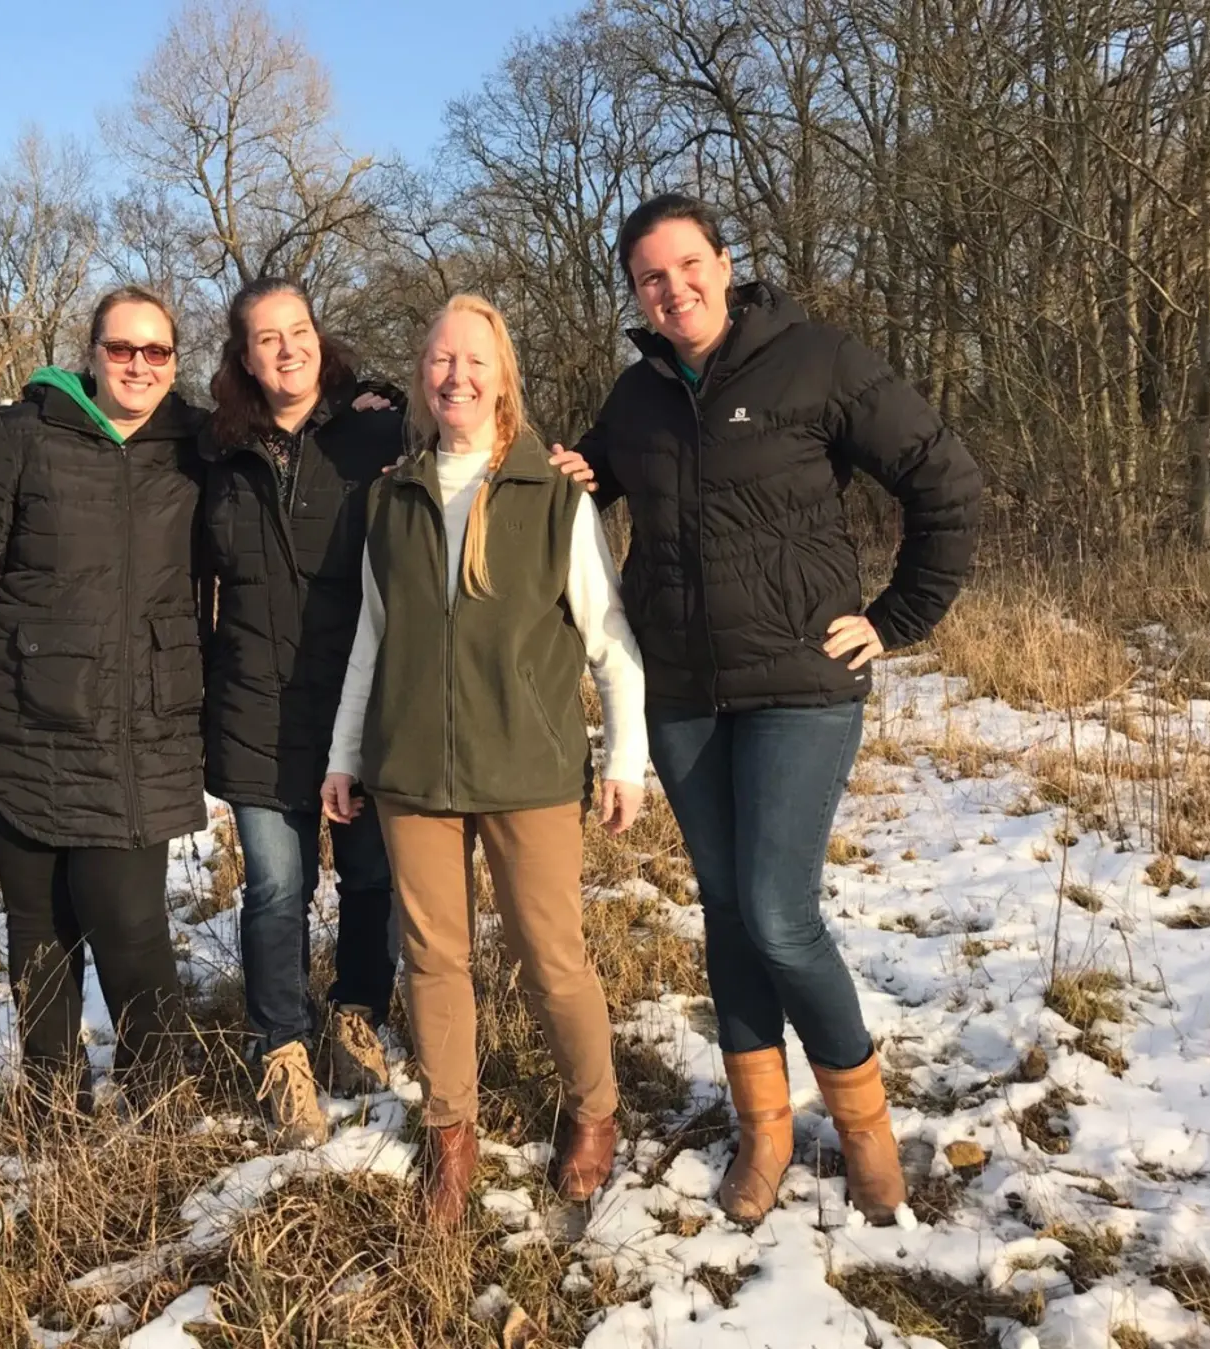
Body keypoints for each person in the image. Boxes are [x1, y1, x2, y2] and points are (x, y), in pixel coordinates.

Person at [551, 194, 982, 1225]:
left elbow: (946, 481)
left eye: (687, 265)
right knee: (727, 909)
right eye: (651, 277)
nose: (674, 287)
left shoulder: (817, 359)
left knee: (780, 913)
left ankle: (865, 1126)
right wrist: (559, 470)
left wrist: (897, 614)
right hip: (687, 694)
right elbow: (596, 470)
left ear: (725, 263)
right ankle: (764, 1128)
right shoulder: (639, 395)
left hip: (799, 685)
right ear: (638, 295)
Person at [322, 294, 649, 1226]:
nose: (455, 375)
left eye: (474, 360)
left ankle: (595, 1109)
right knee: (434, 959)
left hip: (530, 770)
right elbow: (369, 642)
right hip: (412, 772)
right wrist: (348, 754)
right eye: (438, 360)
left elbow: (609, 636)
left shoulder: (555, 494)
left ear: (503, 374)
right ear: (420, 377)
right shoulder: (391, 498)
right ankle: (451, 1134)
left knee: (552, 956)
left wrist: (625, 755)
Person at [0, 285, 207, 1108]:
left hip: (141, 727)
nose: (139, 365)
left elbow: (284, 442)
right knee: (39, 929)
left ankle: (159, 1087)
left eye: (157, 351)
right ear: (91, 352)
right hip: (21, 724)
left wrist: (368, 400)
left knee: (130, 920)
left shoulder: (194, 449)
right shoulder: (19, 436)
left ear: (175, 362)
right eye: (123, 348)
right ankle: (50, 1094)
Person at [199, 278, 405, 1147]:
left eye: (300, 331)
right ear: (243, 358)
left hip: (358, 702)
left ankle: (356, 1010)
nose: (288, 348)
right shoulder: (211, 454)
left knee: (368, 874)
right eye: (266, 338)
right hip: (253, 708)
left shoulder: (374, 432)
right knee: (278, 886)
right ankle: (279, 1047)